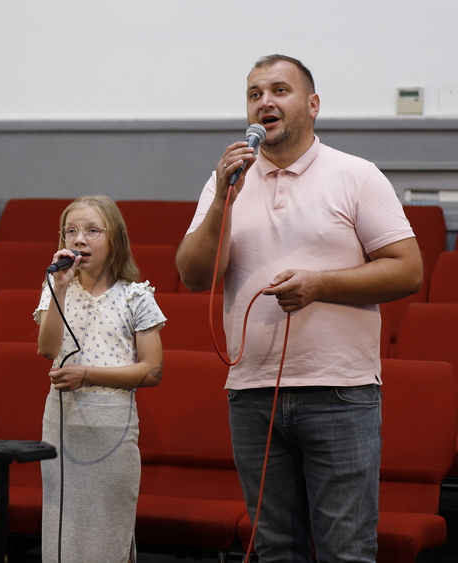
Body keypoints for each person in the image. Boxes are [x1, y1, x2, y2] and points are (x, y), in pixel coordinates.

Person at [176, 54, 423, 562]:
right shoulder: (227, 181)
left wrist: (320, 284)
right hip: (252, 394)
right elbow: (194, 276)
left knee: (345, 551)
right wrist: (223, 200)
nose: (264, 101)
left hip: (340, 392)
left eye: (279, 90)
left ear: (313, 105)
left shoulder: (355, 175)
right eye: (254, 94)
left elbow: (408, 270)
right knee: (273, 550)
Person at [35, 195, 165, 562]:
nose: (80, 239)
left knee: (107, 531)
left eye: (93, 231)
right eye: (71, 231)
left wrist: (88, 375)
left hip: (111, 426)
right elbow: (47, 348)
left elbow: (152, 370)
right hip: (63, 423)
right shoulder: (54, 288)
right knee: (63, 529)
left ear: (115, 239)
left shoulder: (136, 296)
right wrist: (60, 288)